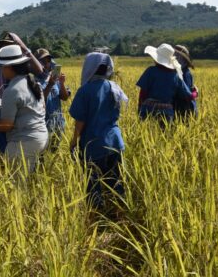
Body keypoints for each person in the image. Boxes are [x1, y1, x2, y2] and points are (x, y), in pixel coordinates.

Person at [69, 52, 128, 214]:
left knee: (93, 184)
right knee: (116, 182)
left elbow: (80, 120)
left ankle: (97, 220)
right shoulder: (114, 87)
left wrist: (74, 141)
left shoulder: (85, 90)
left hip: (94, 143)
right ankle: (118, 216)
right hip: (116, 142)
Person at [0, 45, 48, 174]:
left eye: (2, 67)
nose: (2, 70)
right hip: (41, 137)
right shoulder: (33, 83)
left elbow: (6, 125)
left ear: (9, 67)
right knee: (31, 179)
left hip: (23, 143)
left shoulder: (12, 90)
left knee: (17, 188)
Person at [0, 32, 45, 153]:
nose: (5, 47)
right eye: (3, 45)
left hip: (15, 113)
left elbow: (39, 70)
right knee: (0, 146)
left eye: (9, 45)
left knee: (11, 146)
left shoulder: (20, 77)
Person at [136, 43, 193, 126]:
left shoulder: (150, 71)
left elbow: (143, 93)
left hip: (148, 108)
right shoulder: (175, 76)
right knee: (164, 135)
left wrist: (140, 109)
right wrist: (196, 92)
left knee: (146, 132)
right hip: (166, 112)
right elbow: (188, 96)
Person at [34, 48, 71, 151]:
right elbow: (39, 102)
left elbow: (64, 97)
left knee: (54, 153)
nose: (46, 64)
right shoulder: (34, 82)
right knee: (42, 155)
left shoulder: (54, 78)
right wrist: (50, 84)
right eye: (42, 62)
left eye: (48, 61)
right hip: (43, 125)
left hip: (58, 123)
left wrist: (62, 83)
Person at [173, 45, 198, 120]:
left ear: (184, 59)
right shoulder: (175, 71)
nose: (175, 57)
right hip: (177, 107)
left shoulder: (186, 73)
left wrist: (195, 93)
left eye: (177, 56)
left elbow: (186, 95)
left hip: (185, 108)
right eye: (174, 55)